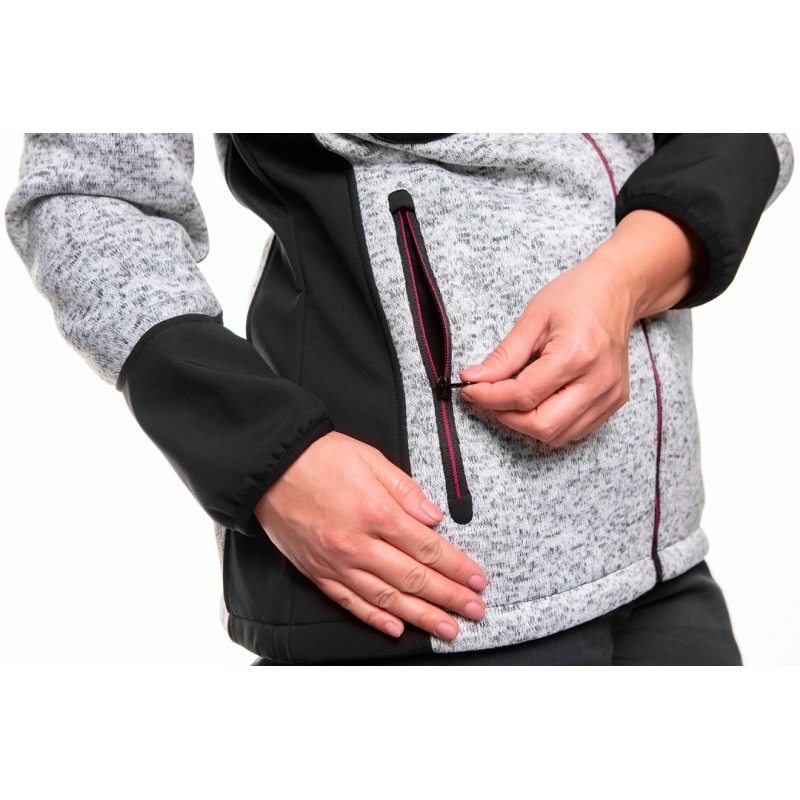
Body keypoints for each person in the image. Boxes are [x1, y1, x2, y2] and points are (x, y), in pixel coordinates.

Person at [6, 133, 793, 665]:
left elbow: (733, 122)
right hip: (422, 600)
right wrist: (265, 453)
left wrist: (621, 281)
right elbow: (88, 194)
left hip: (666, 564)